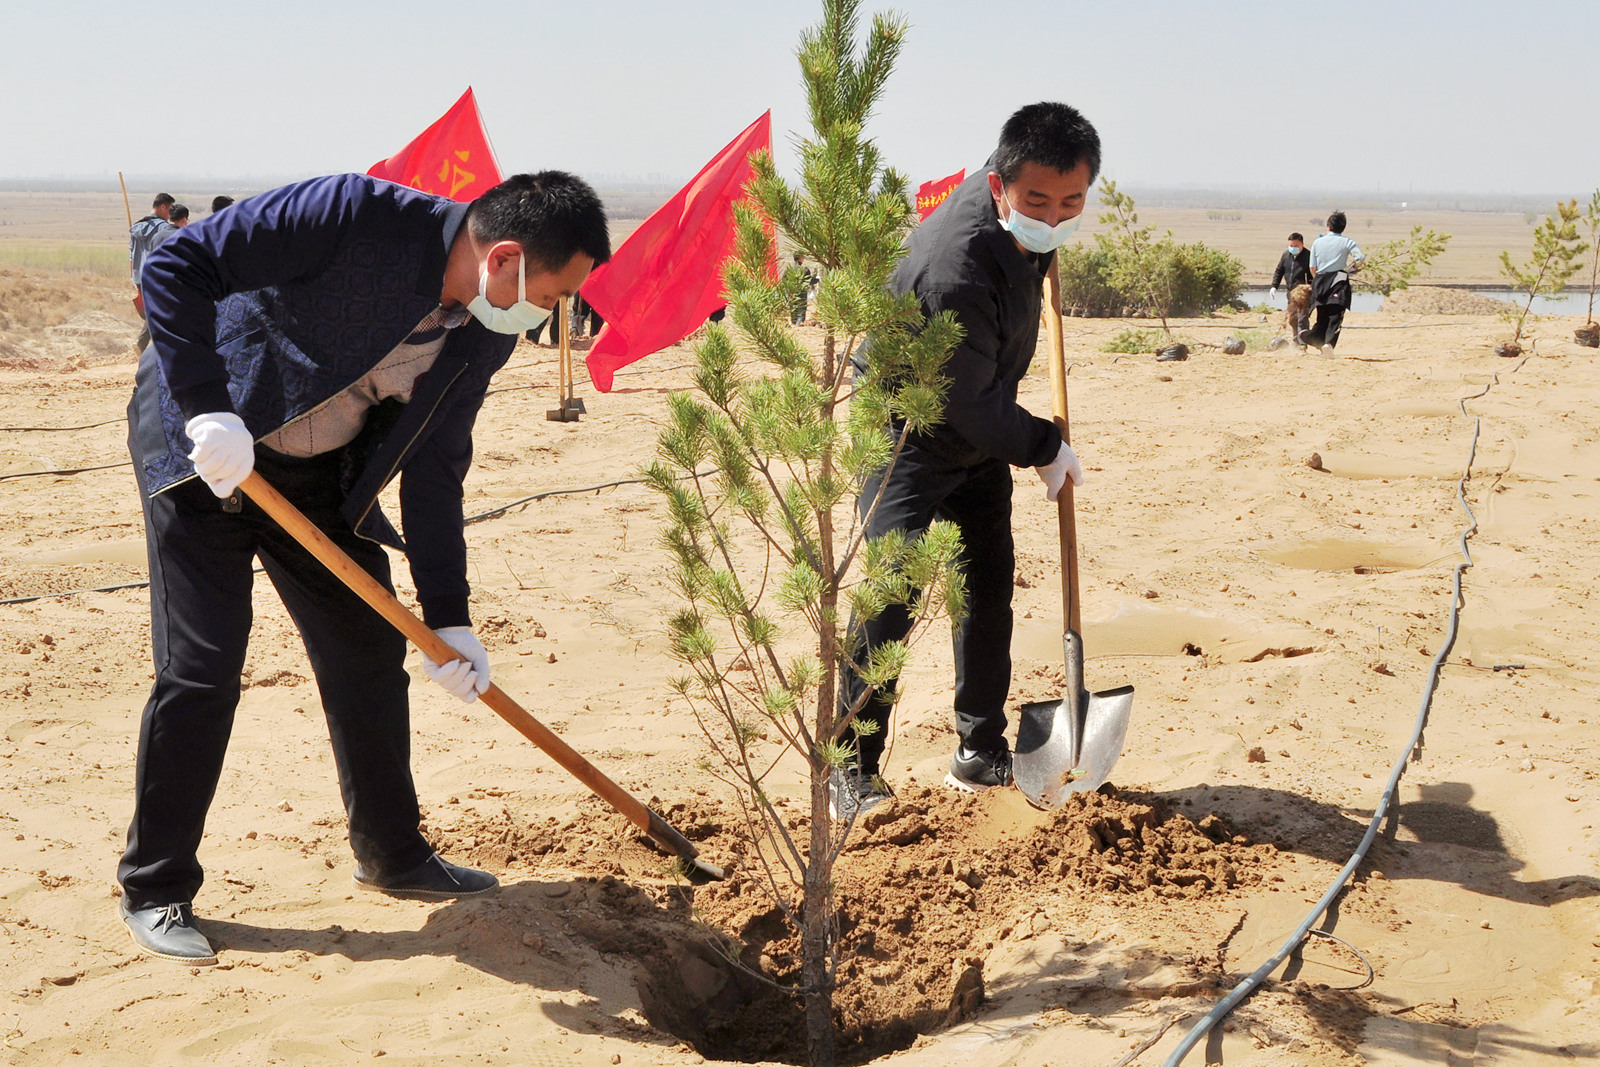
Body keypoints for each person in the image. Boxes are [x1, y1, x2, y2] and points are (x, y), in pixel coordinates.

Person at [120, 171, 610, 965]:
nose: (548, 315)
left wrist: (449, 615)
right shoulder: (352, 213)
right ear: (506, 259)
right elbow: (175, 268)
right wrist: (208, 406)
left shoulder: (486, 330)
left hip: (317, 478)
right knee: (204, 666)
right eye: (552, 294)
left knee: (368, 647)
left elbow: (435, 465)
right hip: (204, 449)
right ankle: (155, 884)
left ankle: (391, 852)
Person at [834, 102, 1096, 816]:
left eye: (1070, 202)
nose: (1053, 214)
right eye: (1037, 201)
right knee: (894, 587)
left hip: (981, 417)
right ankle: (847, 764)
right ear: (997, 187)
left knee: (986, 582)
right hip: (907, 430)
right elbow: (966, 404)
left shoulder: (1033, 228)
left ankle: (981, 748)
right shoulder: (953, 266)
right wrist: (1043, 443)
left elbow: (983, 401)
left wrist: (1045, 243)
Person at [1306, 212, 1365, 354]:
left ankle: (1314, 338)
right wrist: (1351, 270)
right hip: (1338, 280)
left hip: (1320, 280)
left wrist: (1318, 281)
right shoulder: (1347, 242)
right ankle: (1328, 344)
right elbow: (1360, 258)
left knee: (1322, 314)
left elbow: (1312, 267)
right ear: (1343, 227)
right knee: (1335, 315)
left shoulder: (1317, 242)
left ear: (1328, 226)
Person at [129, 193, 178, 350]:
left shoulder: (136, 227)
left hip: (139, 276)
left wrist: (132, 277)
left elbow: (131, 254)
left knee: (156, 309)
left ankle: (148, 345)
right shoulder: (164, 228)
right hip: (155, 276)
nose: (170, 213)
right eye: (170, 209)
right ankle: (144, 344)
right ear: (163, 206)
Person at [1270, 232, 1312, 346]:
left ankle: (1303, 344)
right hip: (1291, 293)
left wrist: (1311, 287)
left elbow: (1314, 274)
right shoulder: (1285, 256)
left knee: (1302, 319)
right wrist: (1274, 286)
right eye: (1291, 246)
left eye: (1296, 246)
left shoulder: (1309, 256)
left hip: (1304, 294)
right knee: (1293, 319)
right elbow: (1279, 271)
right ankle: (1295, 342)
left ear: (1302, 245)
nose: (1293, 248)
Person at [790, 252, 816, 324]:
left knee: (793, 307)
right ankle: (799, 323)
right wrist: (817, 280)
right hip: (802, 292)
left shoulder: (789, 269)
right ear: (800, 258)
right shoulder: (804, 269)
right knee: (801, 309)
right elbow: (809, 280)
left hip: (791, 291)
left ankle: (794, 322)